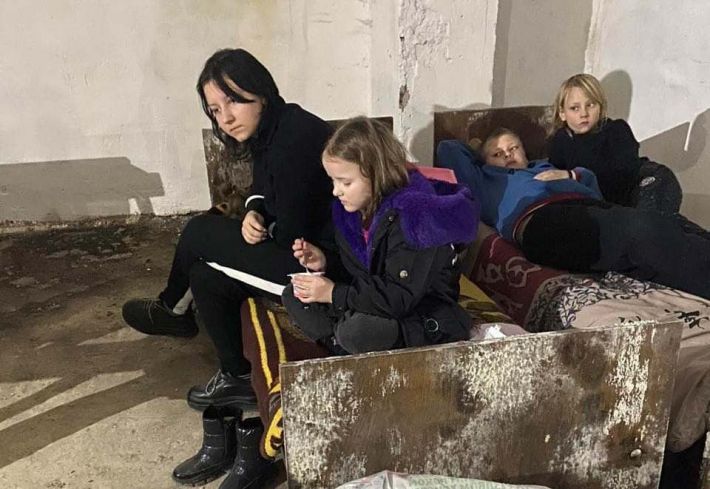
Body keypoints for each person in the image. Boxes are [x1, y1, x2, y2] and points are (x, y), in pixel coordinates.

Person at [121, 48, 337, 488]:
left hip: (318, 268)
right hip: (296, 248)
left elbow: (293, 228)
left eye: (233, 101)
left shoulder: (296, 137)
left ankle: (172, 310)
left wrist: (263, 225)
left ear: (261, 91)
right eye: (215, 110)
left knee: (200, 233)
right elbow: (263, 188)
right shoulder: (274, 128)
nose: (226, 118)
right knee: (205, 275)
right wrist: (255, 210)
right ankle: (237, 376)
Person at [281, 117, 480, 356]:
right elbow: (363, 272)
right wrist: (325, 262)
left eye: (345, 182)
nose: (336, 191)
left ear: (376, 174)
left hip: (420, 314)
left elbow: (400, 296)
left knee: (357, 331)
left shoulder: (415, 216)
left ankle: (344, 343)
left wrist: (334, 294)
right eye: (333, 181)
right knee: (293, 294)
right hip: (377, 301)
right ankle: (344, 344)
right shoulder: (354, 211)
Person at [436, 128, 710, 301]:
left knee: (670, 223)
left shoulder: (545, 167)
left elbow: (591, 185)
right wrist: (479, 150)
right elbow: (447, 149)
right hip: (543, 220)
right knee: (641, 230)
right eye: (497, 153)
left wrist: (569, 175)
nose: (507, 155)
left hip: (590, 208)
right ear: (484, 161)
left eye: (513, 148)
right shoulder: (485, 180)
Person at [549, 73, 683, 215]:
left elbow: (618, 175)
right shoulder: (561, 139)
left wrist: (574, 175)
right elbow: (553, 176)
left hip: (646, 181)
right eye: (574, 108)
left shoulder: (616, 129)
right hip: (612, 204)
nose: (584, 113)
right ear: (562, 113)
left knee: (647, 221)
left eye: (590, 105)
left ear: (600, 107)